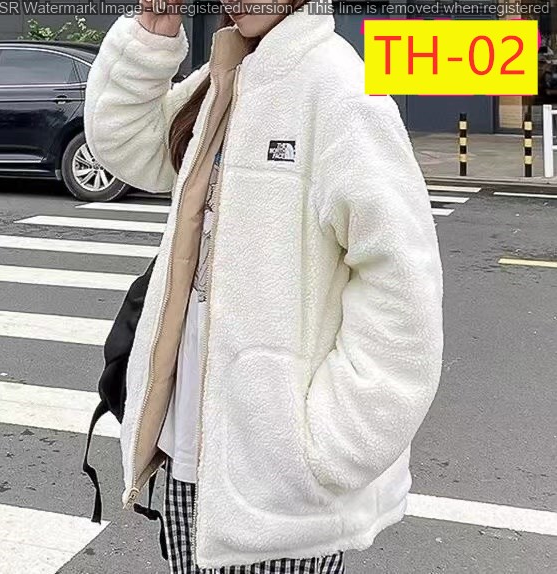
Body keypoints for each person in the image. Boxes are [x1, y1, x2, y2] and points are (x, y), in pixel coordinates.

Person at [84, 0, 444, 571]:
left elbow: (402, 281)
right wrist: (152, 36)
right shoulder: (230, 73)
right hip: (193, 446)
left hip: (280, 484)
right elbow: (134, 148)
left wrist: (327, 450)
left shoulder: (338, 86)